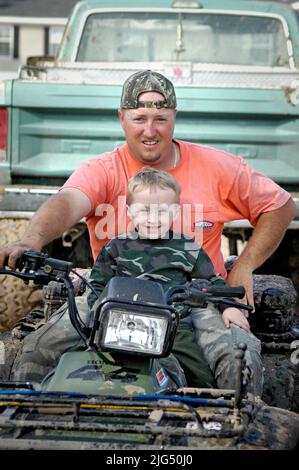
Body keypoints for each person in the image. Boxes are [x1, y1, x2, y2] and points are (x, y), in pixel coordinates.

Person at [1, 70, 295, 394]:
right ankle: (34, 429)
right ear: (122, 118)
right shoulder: (103, 170)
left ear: (175, 118)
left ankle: (228, 433)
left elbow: (280, 206)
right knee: (37, 347)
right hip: (111, 292)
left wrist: (244, 266)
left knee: (239, 357)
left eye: (161, 118)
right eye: (139, 118)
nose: (150, 131)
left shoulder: (218, 167)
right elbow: (67, 203)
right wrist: (31, 239)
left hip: (191, 299)